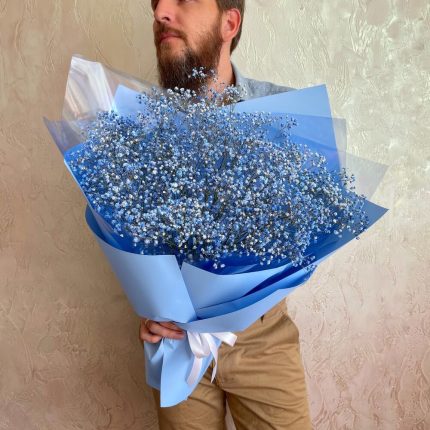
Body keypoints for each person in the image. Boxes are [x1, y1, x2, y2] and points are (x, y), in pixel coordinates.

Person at [139, 1, 312, 429]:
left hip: (262, 339)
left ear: (229, 23)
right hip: (178, 341)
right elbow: (133, 237)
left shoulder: (285, 114)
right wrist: (149, 302)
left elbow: (310, 229)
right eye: (156, 2)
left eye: (182, 0)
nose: (161, 12)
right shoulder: (137, 125)